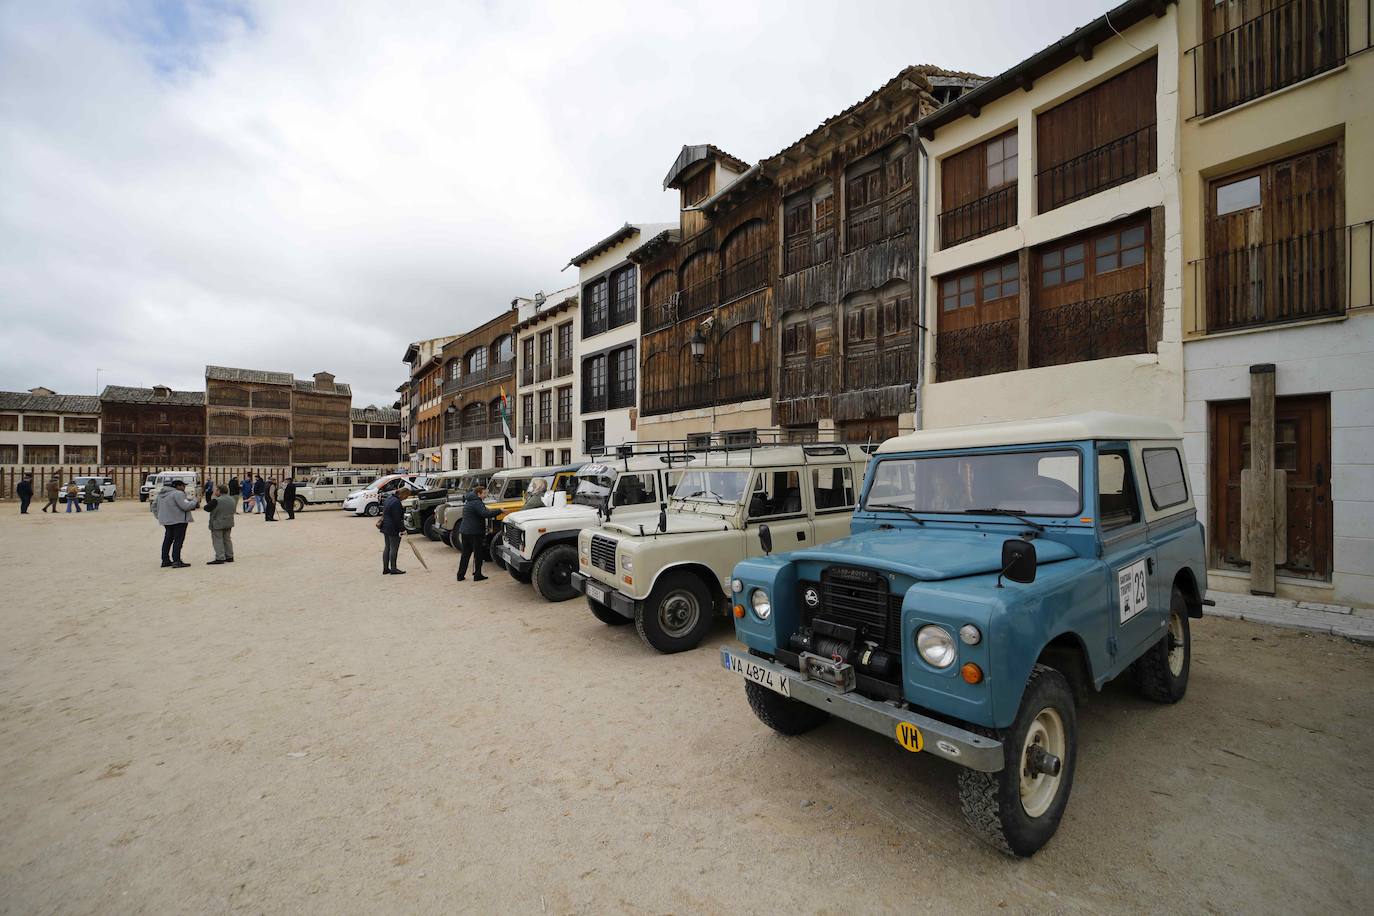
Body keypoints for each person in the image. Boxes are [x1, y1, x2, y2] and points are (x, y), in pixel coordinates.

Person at [456, 484, 500, 582]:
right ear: (478, 493)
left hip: (465, 531)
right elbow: (485, 514)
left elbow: (482, 511)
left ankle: (460, 575)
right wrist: (499, 511)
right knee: (478, 554)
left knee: (465, 554)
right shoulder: (477, 502)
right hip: (475, 532)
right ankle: (477, 575)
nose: (485, 495)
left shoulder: (469, 501)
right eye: (484, 493)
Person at [156, 479, 200, 568]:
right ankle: (177, 560)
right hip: (179, 521)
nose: (184, 488)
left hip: (167, 521)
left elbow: (154, 506)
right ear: (178, 486)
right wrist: (195, 501)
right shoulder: (178, 493)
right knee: (178, 541)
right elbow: (186, 506)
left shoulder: (161, 495)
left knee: (167, 540)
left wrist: (159, 516)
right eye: (183, 486)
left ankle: (165, 560)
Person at [379, 486, 411, 575]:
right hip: (393, 528)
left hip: (385, 526)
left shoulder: (389, 499)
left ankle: (385, 568)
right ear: (402, 494)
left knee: (387, 547)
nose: (405, 499)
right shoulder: (397, 503)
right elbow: (397, 519)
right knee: (394, 548)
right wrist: (402, 530)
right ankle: (393, 568)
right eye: (406, 497)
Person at [205, 483, 236, 564]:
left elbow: (206, 508)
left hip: (217, 523)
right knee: (227, 540)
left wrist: (213, 498)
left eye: (215, 490)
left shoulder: (216, 500)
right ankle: (229, 556)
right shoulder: (231, 499)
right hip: (229, 521)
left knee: (218, 540)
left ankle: (220, 557)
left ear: (219, 491)